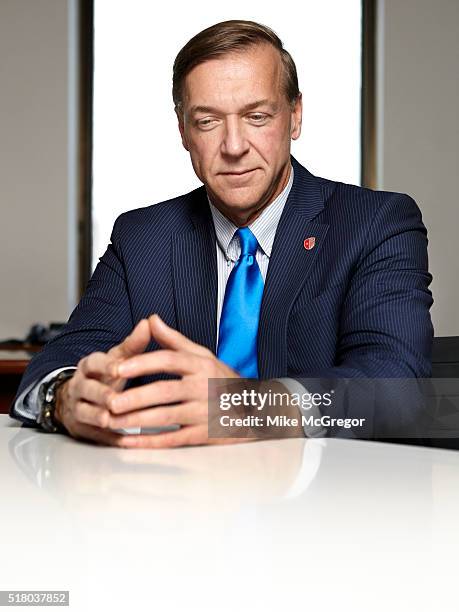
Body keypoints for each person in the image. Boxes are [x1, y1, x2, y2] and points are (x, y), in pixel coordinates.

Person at [11, 20, 433, 447]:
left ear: (295, 116)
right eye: (208, 121)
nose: (234, 146)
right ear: (183, 131)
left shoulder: (375, 223)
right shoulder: (142, 238)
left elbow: (398, 387)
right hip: (174, 498)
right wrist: (64, 398)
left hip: (321, 503)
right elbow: (60, 364)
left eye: (256, 116)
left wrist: (252, 407)